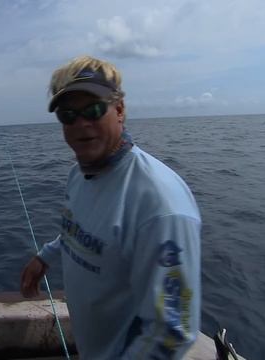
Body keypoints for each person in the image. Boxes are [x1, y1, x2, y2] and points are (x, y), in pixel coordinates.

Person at [20, 55, 201, 359]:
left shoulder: (160, 204)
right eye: (68, 115)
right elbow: (81, 229)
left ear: (119, 110)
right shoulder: (79, 173)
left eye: (92, 109)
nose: (80, 124)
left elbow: (171, 332)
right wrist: (46, 256)